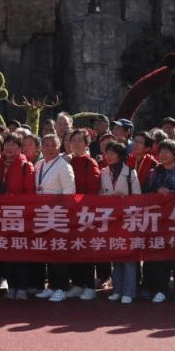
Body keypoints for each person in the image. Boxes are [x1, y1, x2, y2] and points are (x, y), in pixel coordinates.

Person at [33, 133, 75, 302]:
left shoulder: (64, 166)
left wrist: (63, 212)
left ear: (59, 147)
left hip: (59, 216)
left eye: (53, 145)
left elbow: (69, 192)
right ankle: (51, 286)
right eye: (46, 145)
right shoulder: (38, 165)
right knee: (48, 253)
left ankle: (62, 288)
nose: (50, 148)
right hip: (42, 215)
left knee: (59, 253)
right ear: (41, 148)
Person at [146, 139, 175, 304]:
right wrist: (157, 190)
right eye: (161, 151)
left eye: (167, 151)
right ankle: (161, 289)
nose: (163, 155)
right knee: (161, 255)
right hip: (159, 220)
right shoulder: (153, 173)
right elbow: (145, 192)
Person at [100, 140, 140, 303]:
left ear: (120, 155)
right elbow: (99, 195)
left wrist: (124, 198)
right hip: (111, 219)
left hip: (127, 218)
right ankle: (117, 289)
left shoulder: (130, 173)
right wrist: (108, 197)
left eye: (112, 153)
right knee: (115, 254)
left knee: (129, 256)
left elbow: (138, 196)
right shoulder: (103, 172)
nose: (109, 156)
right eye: (107, 153)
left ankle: (129, 292)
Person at [0, 133, 36, 300]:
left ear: (20, 148)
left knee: (20, 251)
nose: (9, 148)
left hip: (20, 216)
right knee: (7, 252)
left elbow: (30, 194)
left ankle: (22, 287)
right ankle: (12, 286)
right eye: (7, 144)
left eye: (14, 144)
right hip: (1, 216)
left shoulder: (25, 166)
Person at [67, 129, 100, 300]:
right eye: (74, 140)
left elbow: (92, 191)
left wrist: (76, 200)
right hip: (69, 213)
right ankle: (77, 284)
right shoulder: (67, 162)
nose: (76, 143)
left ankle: (89, 286)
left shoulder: (90, 163)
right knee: (72, 249)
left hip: (85, 213)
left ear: (86, 144)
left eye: (80, 140)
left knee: (85, 249)